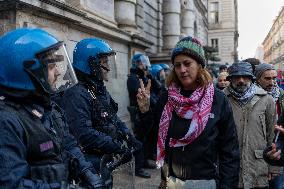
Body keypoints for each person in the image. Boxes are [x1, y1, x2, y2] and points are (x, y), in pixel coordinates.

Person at [0, 28, 105, 188]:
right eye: (50, 67)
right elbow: (12, 184)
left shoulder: (47, 107)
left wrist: (86, 171)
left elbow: (68, 144)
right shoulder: (7, 121)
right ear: (28, 72)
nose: (57, 73)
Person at [137, 36, 240, 189]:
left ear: (199, 65)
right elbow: (153, 139)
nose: (182, 70)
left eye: (187, 63)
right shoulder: (166, 99)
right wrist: (145, 112)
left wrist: (227, 186)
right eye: (177, 65)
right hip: (173, 183)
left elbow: (230, 151)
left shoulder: (218, 100)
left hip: (207, 183)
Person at [58, 38, 146, 180]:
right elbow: (83, 133)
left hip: (103, 158)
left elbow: (112, 117)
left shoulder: (98, 88)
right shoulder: (76, 93)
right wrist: (117, 146)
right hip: (88, 164)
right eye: (104, 62)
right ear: (91, 64)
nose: (109, 68)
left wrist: (128, 136)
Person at [223, 62, 279, 189]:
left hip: (258, 168)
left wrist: (273, 166)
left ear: (252, 78)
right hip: (229, 168)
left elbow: (272, 135)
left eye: (245, 77)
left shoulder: (266, 99)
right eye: (236, 77)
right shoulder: (222, 98)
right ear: (230, 79)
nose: (241, 80)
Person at [127, 53, 160, 169]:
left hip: (145, 112)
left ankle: (145, 161)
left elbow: (157, 88)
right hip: (137, 113)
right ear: (136, 64)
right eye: (141, 63)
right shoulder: (132, 78)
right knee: (139, 139)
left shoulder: (143, 77)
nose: (144, 65)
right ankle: (138, 167)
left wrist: (149, 75)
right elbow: (143, 94)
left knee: (146, 139)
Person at [255, 63, 284, 189]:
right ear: (258, 79)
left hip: (278, 146)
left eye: (274, 78)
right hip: (258, 149)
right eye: (267, 78)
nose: (272, 82)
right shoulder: (250, 97)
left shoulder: (281, 94)